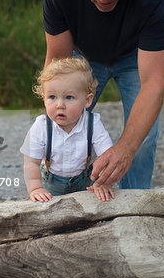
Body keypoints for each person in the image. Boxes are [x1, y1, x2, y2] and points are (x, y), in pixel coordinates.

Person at [43, 0, 164, 191]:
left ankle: (136, 205)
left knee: (144, 138)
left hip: (137, 55)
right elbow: (58, 63)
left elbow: (154, 84)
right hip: (83, 56)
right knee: (62, 125)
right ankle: (62, 195)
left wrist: (125, 150)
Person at [20, 57, 114, 202]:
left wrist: (103, 182)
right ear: (44, 98)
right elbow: (31, 162)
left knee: (88, 215)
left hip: (86, 184)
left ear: (87, 100)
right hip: (52, 185)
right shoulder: (41, 126)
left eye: (69, 97)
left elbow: (107, 155)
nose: (59, 105)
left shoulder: (93, 124)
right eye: (52, 97)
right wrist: (36, 188)